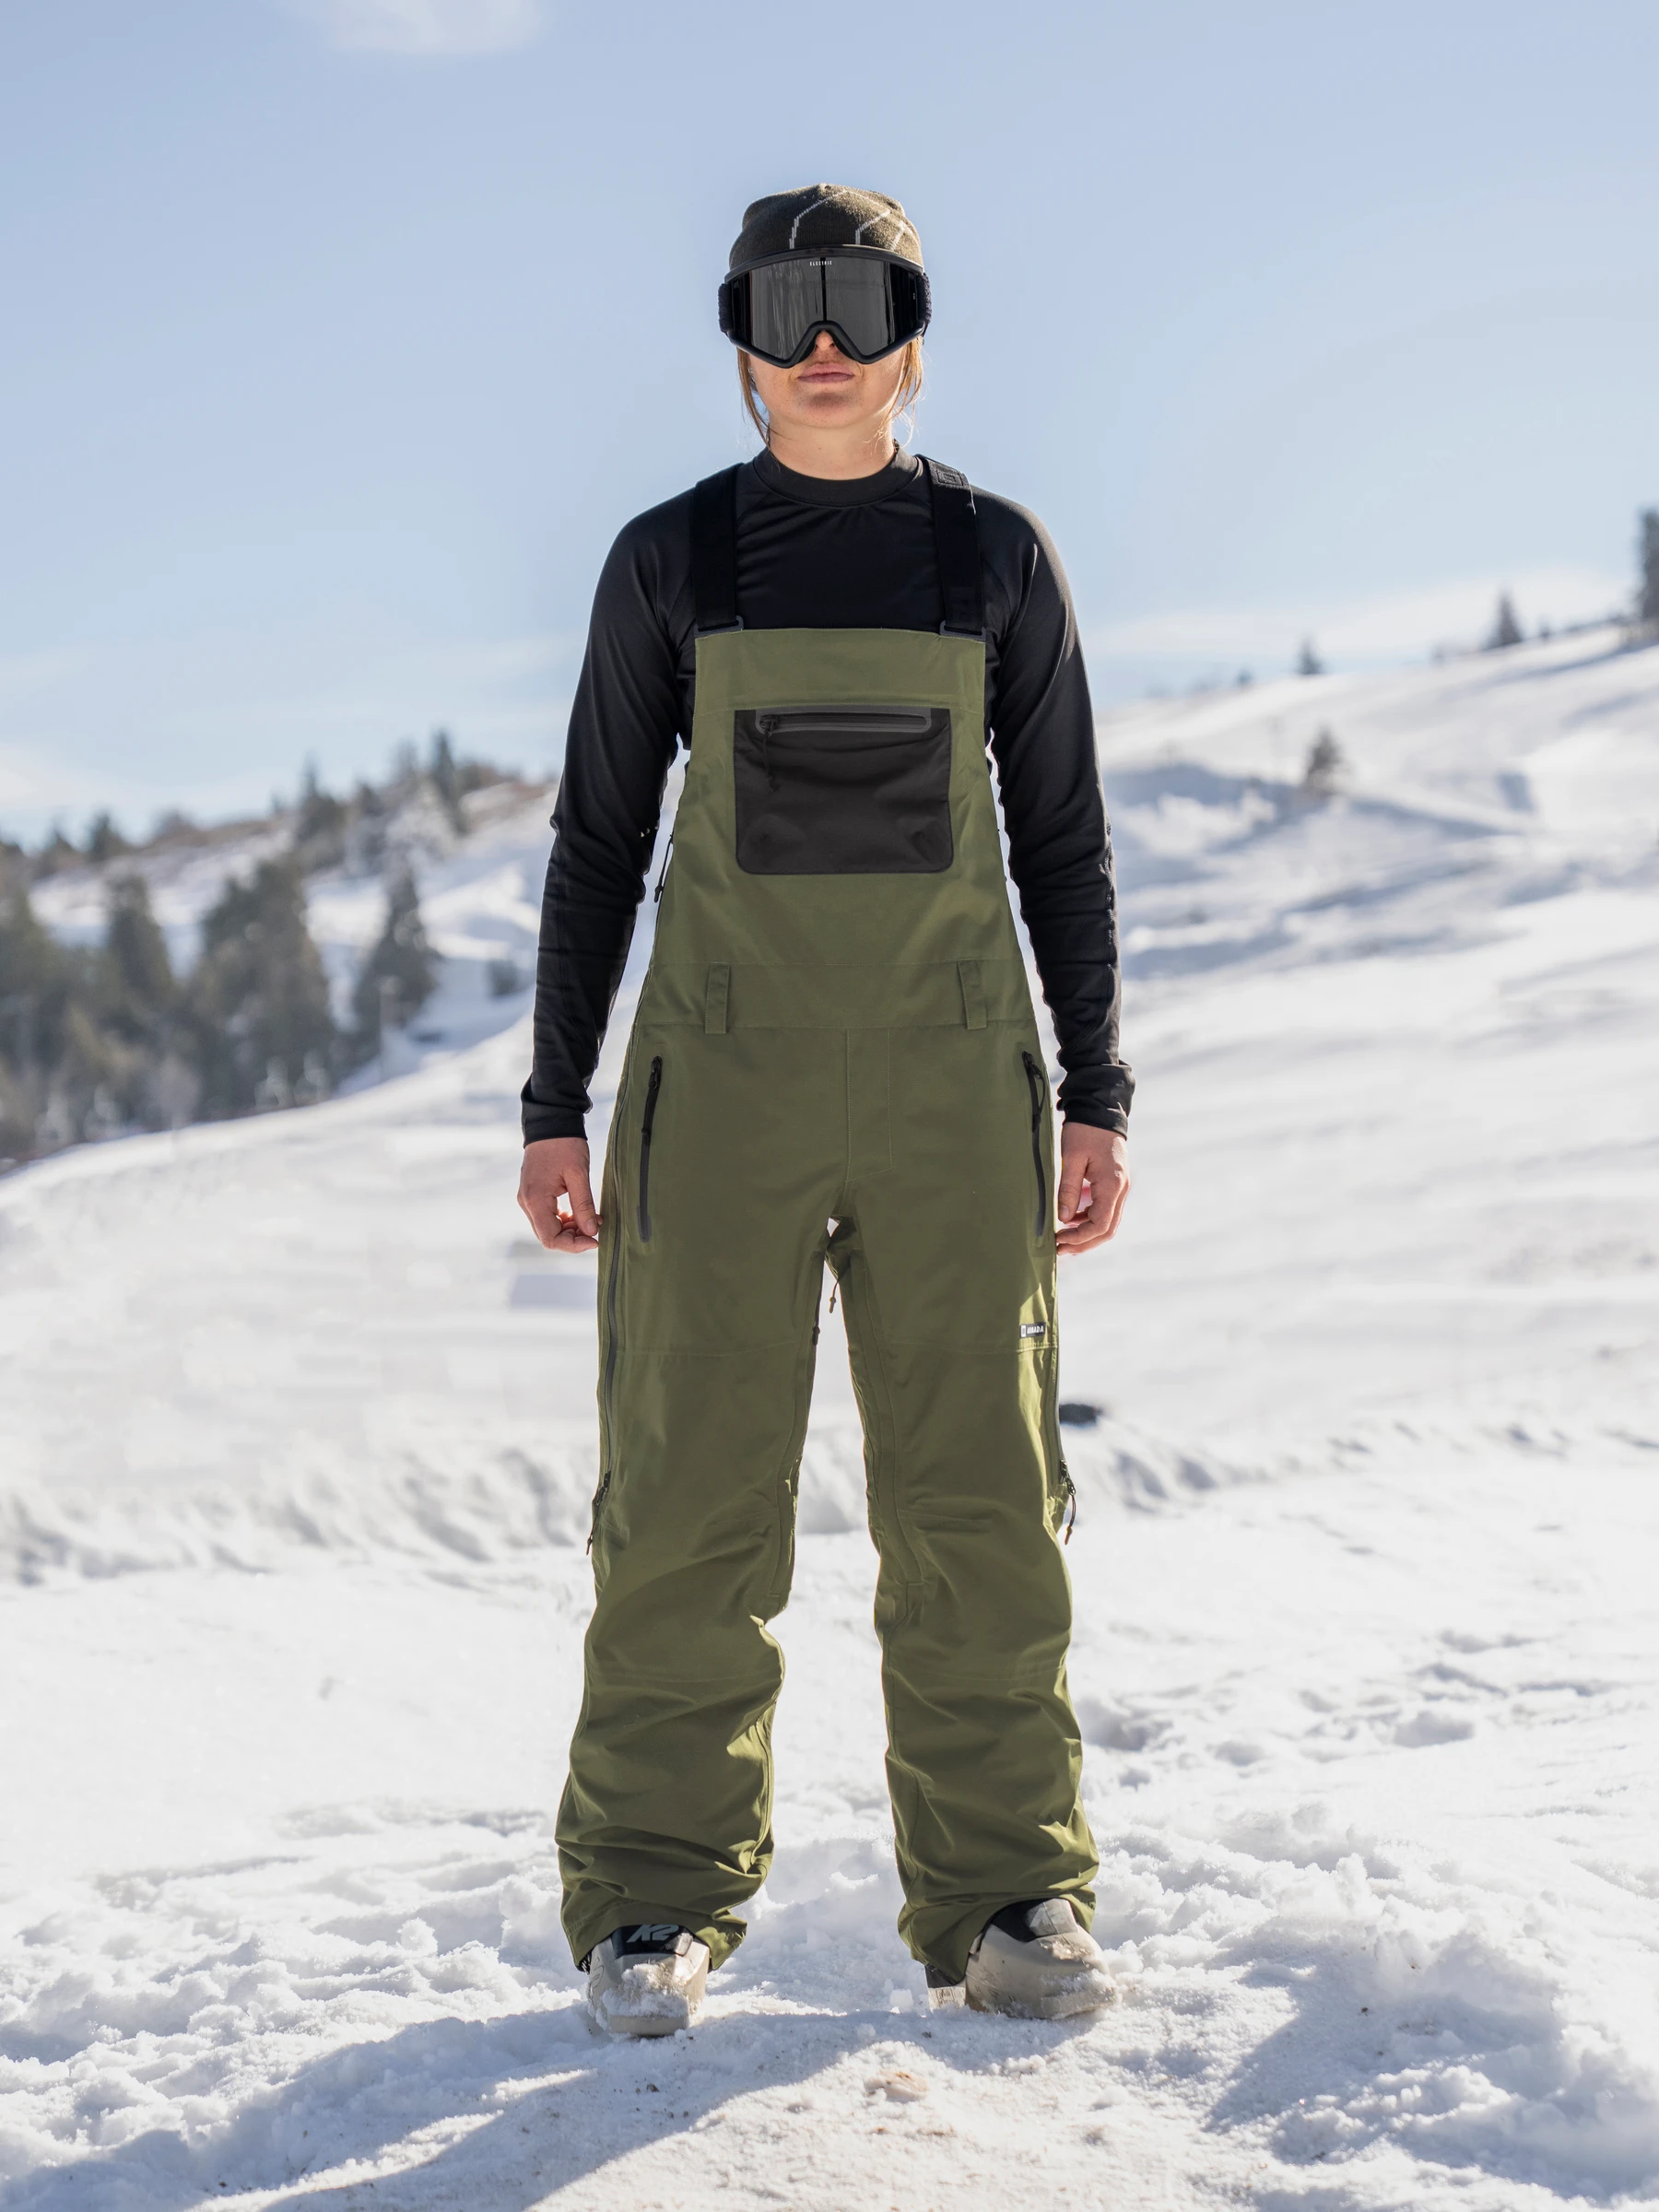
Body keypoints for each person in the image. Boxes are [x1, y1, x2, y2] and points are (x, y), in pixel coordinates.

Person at [518, 183, 1133, 2035]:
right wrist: (555, 1101)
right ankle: (652, 1907)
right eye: (785, 310)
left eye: (860, 304)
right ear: (741, 344)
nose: (825, 347)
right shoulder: (672, 562)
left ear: (914, 333)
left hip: (956, 1085)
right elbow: (598, 841)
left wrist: (1097, 1088)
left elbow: (1064, 840)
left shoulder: (994, 558)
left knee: (982, 1503)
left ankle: (1011, 1895)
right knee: (686, 1497)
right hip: (719, 1092)